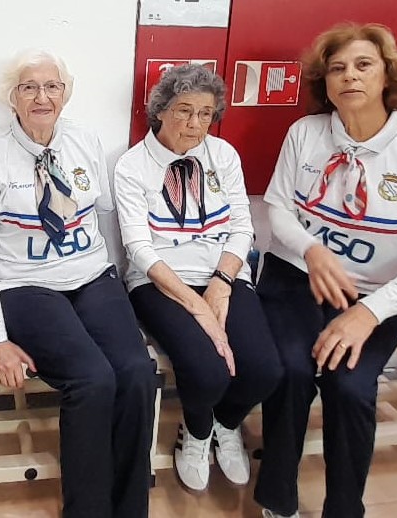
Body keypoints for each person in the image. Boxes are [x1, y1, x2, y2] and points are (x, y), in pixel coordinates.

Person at [253, 23, 397, 518]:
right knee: (290, 371)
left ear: (388, 75)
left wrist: (368, 313)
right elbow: (278, 207)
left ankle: (345, 508)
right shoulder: (305, 133)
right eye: (337, 69)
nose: (350, 77)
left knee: (349, 387)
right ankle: (277, 499)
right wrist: (311, 251)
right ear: (324, 82)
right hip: (294, 278)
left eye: (363, 65)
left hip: (375, 295)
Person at [0, 49, 155, 518]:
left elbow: (104, 216)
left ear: (65, 94)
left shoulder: (84, 140)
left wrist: (118, 281)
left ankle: (130, 508)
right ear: (11, 97)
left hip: (91, 276)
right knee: (93, 378)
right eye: (29, 87)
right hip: (25, 285)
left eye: (52, 87)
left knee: (135, 372)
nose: (41, 97)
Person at [114, 63, 283, 492]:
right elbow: (139, 249)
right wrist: (198, 307)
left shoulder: (223, 155)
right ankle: (197, 428)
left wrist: (222, 284)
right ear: (160, 111)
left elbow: (243, 228)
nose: (195, 123)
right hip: (160, 283)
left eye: (205, 114)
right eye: (184, 110)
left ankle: (226, 423)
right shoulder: (133, 165)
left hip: (223, 276)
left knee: (264, 370)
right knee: (208, 372)